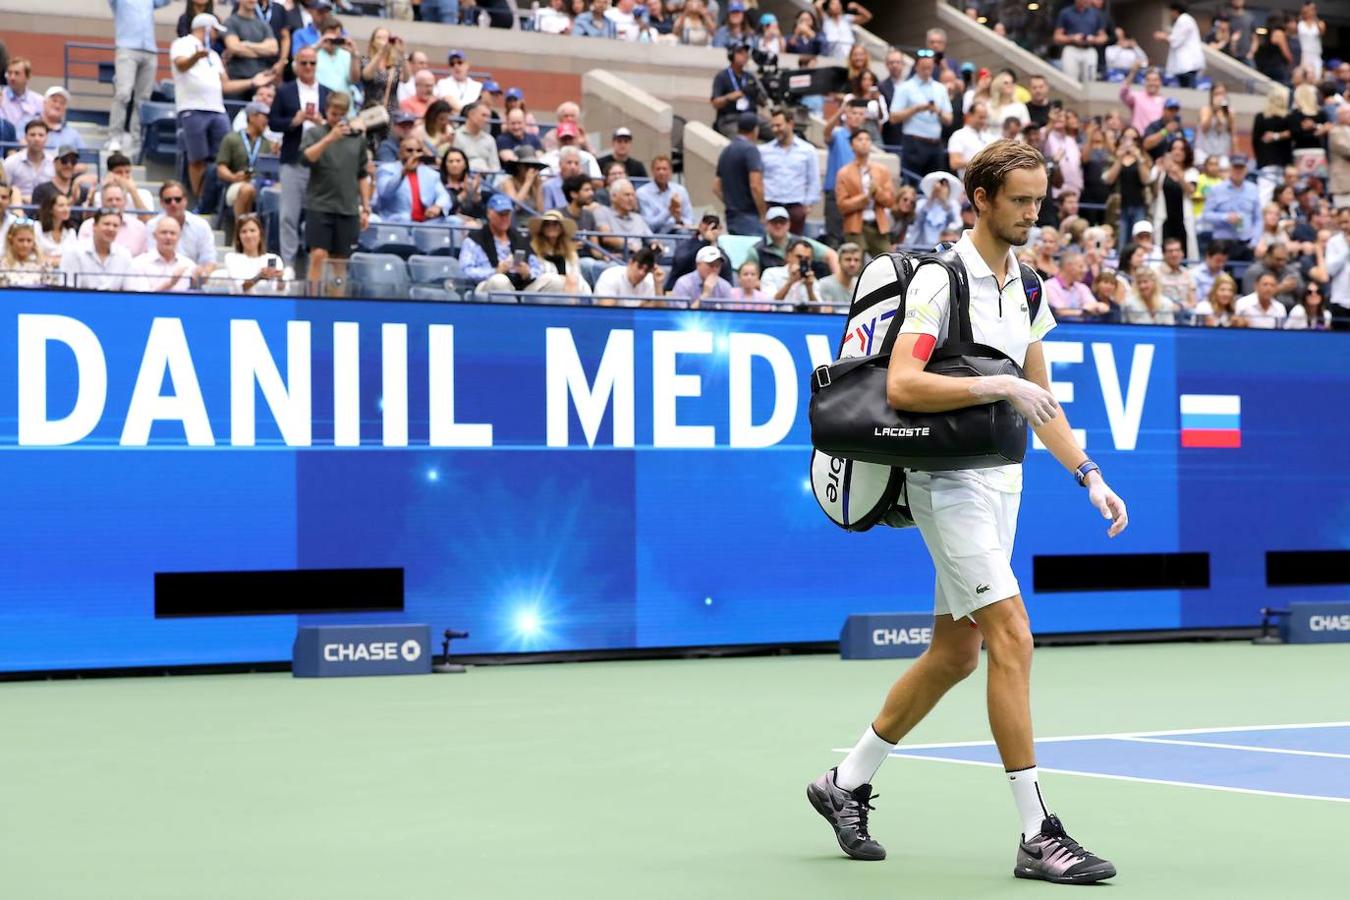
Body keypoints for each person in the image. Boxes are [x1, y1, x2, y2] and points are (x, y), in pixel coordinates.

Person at [809, 139, 1125, 885]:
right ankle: (1037, 833)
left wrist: (1088, 474)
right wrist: (999, 388)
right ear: (980, 200)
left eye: (1037, 201)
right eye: (1018, 200)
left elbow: (1039, 399)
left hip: (1002, 483)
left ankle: (843, 783)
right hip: (944, 484)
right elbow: (906, 384)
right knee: (1013, 636)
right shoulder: (939, 282)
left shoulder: (1031, 288)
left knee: (955, 653)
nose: (1031, 214)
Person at [172, 13, 273, 199]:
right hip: (192, 108)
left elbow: (225, 85)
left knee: (224, 155)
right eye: (214, 31)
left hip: (217, 109)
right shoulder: (182, 44)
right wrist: (196, 56)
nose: (216, 36)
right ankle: (201, 199)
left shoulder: (213, 55)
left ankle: (217, 197)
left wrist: (253, 82)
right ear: (206, 28)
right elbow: (181, 65)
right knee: (197, 158)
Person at [300, 91, 371, 290]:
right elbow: (306, 158)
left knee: (340, 261)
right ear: (326, 110)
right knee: (318, 254)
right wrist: (329, 138)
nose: (337, 118)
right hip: (320, 205)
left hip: (347, 207)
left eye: (341, 114)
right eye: (333, 113)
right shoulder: (314, 134)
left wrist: (365, 206)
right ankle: (311, 302)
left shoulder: (357, 139)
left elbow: (362, 173)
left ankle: (336, 305)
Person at [269, 45, 330, 269]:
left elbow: (335, 124)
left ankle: (314, 267)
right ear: (296, 65)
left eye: (312, 63)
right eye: (303, 62)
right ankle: (288, 267)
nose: (308, 67)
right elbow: (273, 122)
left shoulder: (326, 92)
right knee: (288, 217)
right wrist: (294, 121)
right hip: (293, 158)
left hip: (321, 164)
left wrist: (322, 123)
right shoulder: (285, 91)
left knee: (318, 217)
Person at [462, 193, 566, 297]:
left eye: (507, 214)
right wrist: (495, 271)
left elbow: (537, 268)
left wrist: (527, 272)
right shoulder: (474, 240)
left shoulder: (519, 238)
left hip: (520, 285)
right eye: (501, 214)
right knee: (499, 280)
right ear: (489, 213)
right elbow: (466, 271)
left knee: (554, 280)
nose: (504, 218)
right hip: (487, 285)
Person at [107, 0, 172, 155]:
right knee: (123, 93)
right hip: (127, 48)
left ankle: (137, 139)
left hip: (150, 49)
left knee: (143, 100)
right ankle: (115, 137)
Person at [758, 108, 821, 235]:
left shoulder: (807, 150)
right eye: (773, 126)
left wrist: (807, 206)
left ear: (790, 123)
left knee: (795, 246)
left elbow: (813, 179)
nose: (775, 129)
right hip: (771, 204)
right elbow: (758, 179)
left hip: (796, 206)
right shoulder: (764, 151)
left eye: (778, 125)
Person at [835, 129, 895, 257]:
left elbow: (890, 201)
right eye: (860, 140)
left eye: (867, 140)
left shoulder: (882, 170)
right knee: (855, 263)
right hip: (855, 226)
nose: (864, 143)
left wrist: (877, 191)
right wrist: (865, 198)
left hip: (878, 224)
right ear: (852, 145)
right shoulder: (844, 173)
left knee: (888, 261)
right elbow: (842, 205)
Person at [375, 135, 452, 223]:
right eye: (409, 150)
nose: (415, 154)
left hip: (426, 222)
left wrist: (438, 206)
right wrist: (403, 172)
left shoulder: (431, 174)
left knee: (454, 221)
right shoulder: (386, 169)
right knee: (404, 219)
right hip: (396, 221)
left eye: (419, 151)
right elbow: (384, 193)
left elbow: (444, 196)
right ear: (400, 153)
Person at [215, 101, 270, 222]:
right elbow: (221, 168)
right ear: (252, 117)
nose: (267, 121)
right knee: (247, 190)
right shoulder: (232, 138)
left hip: (262, 185)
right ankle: (240, 231)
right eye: (264, 116)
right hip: (237, 184)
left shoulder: (268, 143)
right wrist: (234, 177)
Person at [714, 112, 766, 237]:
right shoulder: (750, 150)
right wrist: (763, 214)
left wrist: (732, 203)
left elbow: (716, 187)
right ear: (755, 129)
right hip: (750, 216)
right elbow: (755, 185)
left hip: (732, 216)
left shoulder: (726, 151)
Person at [823, 99, 868, 242]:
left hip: (855, 195)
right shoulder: (838, 134)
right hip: (835, 193)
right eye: (853, 113)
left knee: (853, 239)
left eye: (861, 114)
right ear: (847, 114)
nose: (857, 117)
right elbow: (826, 132)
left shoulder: (863, 139)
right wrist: (840, 111)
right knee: (834, 238)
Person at [1199, 153, 1260, 260]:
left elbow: (1258, 218)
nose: (1238, 171)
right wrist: (1225, 217)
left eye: (1241, 167)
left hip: (1246, 242)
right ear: (1230, 169)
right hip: (1223, 242)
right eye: (1235, 167)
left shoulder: (1253, 189)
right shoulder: (1217, 189)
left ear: (1246, 169)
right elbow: (1206, 215)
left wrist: (1255, 240)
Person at [1103, 127, 1151, 253]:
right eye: (1126, 138)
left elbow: (1146, 180)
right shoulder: (1113, 158)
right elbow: (1108, 179)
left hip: (1139, 205)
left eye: (1134, 138)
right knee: (1120, 240)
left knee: (1137, 240)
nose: (1129, 142)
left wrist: (1139, 159)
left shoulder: (1144, 158)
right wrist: (1119, 158)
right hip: (1118, 206)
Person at [59, 208, 132, 290]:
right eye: (106, 224)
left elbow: (129, 292)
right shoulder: (73, 251)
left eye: (115, 226)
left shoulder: (125, 255)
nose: (111, 229)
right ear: (94, 226)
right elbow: (68, 291)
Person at [747, 206, 838, 272]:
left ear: (789, 224)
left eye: (782, 222)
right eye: (774, 222)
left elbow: (831, 255)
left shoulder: (802, 242)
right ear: (766, 224)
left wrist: (838, 282)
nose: (778, 225)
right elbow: (749, 276)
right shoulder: (756, 250)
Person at [1150, 138, 1198, 260]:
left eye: (1181, 149)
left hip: (1183, 220)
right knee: (1162, 251)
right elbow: (1154, 193)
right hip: (1164, 220)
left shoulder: (1191, 172)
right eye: (1174, 149)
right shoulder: (1159, 170)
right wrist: (1161, 171)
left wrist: (1179, 173)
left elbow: (1190, 190)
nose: (1177, 152)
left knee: (1186, 251)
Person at [223, 212, 292, 294]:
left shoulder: (274, 258)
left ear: (260, 234)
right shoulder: (232, 258)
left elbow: (281, 291)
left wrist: (280, 278)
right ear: (239, 237)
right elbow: (240, 289)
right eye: (244, 232)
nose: (248, 235)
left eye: (252, 231)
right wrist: (259, 277)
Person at [527, 208, 591, 297]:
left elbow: (576, 274)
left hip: (567, 289)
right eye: (547, 224)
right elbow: (535, 275)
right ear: (542, 229)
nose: (551, 227)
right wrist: (562, 279)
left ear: (561, 228)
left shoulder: (571, 253)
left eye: (555, 224)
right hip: (541, 290)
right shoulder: (533, 249)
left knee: (576, 280)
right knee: (556, 280)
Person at [223, 0, 280, 94]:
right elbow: (234, 47)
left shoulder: (263, 25)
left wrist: (246, 44)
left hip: (261, 80)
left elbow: (273, 49)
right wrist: (262, 51)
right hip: (237, 80)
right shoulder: (230, 22)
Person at [76, 182, 147, 256]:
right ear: (102, 202)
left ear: (125, 202)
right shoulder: (88, 226)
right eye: (110, 200)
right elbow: (82, 255)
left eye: (118, 199)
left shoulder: (139, 227)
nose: (114, 203)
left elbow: (143, 259)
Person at [128, 216, 196, 292]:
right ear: (154, 235)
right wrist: (170, 283)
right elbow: (143, 299)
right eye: (164, 232)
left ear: (179, 237)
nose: (168, 237)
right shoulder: (139, 264)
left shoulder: (189, 265)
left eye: (173, 233)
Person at [710, 42, 764, 138]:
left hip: (751, 116)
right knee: (739, 138)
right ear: (731, 55)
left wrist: (757, 94)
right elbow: (715, 103)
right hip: (730, 119)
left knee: (774, 128)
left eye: (746, 53)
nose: (744, 55)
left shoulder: (750, 76)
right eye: (740, 52)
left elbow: (763, 103)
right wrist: (729, 97)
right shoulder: (722, 76)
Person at [31, 146, 94, 223]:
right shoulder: (41, 190)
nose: (69, 165)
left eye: (73, 161)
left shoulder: (83, 191)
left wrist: (91, 200)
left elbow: (88, 220)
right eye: (64, 161)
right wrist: (72, 201)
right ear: (55, 163)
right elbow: (37, 217)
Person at [1045, 249, 1110, 319]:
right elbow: (1059, 311)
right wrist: (1084, 311)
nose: (1085, 270)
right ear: (1068, 266)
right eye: (1081, 266)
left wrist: (1100, 306)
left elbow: (1093, 305)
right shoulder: (1049, 286)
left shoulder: (1082, 287)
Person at [593, 178, 652, 254]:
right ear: (614, 197)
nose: (631, 198)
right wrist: (630, 246)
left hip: (638, 259)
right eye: (627, 195)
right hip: (615, 258)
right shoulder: (602, 211)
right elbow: (607, 237)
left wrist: (656, 244)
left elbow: (652, 239)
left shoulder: (638, 218)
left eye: (633, 195)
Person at [636, 155, 693, 233]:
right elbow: (649, 225)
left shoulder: (680, 190)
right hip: (657, 234)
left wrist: (679, 220)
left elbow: (690, 220)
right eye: (658, 169)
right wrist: (669, 211)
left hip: (678, 231)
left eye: (664, 169)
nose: (661, 172)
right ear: (652, 171)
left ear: (670, 171)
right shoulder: (642, 193)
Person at [1053, 0, 1106, 83]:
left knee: (1090, 80)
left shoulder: (1095, 14)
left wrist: (1093, 39)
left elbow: (1103, 37)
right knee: (1070, 81)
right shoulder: (1066, 13)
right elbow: (1057, 37)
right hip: (1072, 48)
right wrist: (1072, 38)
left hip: (1089, 49)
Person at [1152, 3, 1204, 88]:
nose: (1170, 14)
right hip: (1184, 65)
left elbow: (1176, 40)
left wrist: (1163, 37)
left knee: (1189, 91)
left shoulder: (1184, 19)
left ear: (1175, 11)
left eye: (1170, 12)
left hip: (1188, 64)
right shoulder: (1184, 20)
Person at [593, 245, 664, 306]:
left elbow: (660, 313)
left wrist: (658, 284)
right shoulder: (610, 276)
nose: (641, 273)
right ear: (631, 263)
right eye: (639, 267)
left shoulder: (650, 280)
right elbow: (607, 312)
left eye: (646, 270)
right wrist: (642, 305)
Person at [1241, 243, 1305, 311]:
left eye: (1284, 259)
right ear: (1267, 255)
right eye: (1278, 259)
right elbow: (1249, 297)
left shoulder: (1290, 270)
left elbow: (1303, 293)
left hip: (1291, 310)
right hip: (1262, 310)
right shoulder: (1253, 271)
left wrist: (1296, 286)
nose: (1282, 263)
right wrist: (1280, 288)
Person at [3, 119, 54, 202]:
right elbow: (3, 191)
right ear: (25, 137)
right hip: (17, 209)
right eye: (32, 135)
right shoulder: (11, 162)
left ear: (47, 138)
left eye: (41, 135)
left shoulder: (54, 163)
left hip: (46, 210)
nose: (37, 139)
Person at [670, 243, 734, 306]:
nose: (714, 269)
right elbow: (681, 315)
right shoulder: (683, 284)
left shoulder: (725, 286)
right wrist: (705, 295)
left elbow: (728, 315)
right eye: (710, 265)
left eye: (717, 266)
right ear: (698, 264)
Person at [947, 101, 995, 180]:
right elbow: (954, 162)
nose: (983, 121)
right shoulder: (959, 135)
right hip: (968, 182)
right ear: (969, 116)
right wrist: (981, 163)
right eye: (980, 117)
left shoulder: (990, 137)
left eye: (985, 118)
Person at [313, 20, 359, 97]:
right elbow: (296, 67)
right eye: (330, 37)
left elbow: (354, 80)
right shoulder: (313, 53)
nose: (333, 40)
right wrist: (318, 45)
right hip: (320, 99)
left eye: (337, 37)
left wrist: (354, 55)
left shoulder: (347, 54)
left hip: (343, 101)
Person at [0, 219, 51, 288]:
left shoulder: (43, 265)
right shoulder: (2, 264)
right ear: (11, 240)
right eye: (21, 240)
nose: (25, 245)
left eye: (29, 240)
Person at [1119, 63, 1164, 134]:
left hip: (1156, 141)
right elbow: (1123, 93)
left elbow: (1166, 127)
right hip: (1139, 138)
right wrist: (1133, 72)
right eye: (1148, 80)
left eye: (1155, 80)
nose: (1152, 83)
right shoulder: (1137, 97)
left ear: (1160, 82)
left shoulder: (1165, 102)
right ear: (1145, 82)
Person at [815, 240, 863, 307]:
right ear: (839, 261)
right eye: (848, 259)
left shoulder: (862, 285)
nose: (852, 264)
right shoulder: (824, 284)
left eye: (856, 260)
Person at [35, 193, 79, 265]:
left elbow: (74, 257)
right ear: (50, 209)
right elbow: (36, 255)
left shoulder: (71, 232)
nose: (66, 209)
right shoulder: (37, 227)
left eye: (68, 205)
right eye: (61, 206)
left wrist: (52, 260)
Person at [435, 49, 482, 114]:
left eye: (459, 62)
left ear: (467, 65)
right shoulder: (443, 83)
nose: (456, 66)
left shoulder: (477, 86)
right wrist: (468, 114)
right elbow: (450, 102)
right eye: (452, 64)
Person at [1328, 207, 1350, 329]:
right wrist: (1347, 249)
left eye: (1346, 222)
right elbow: (1330, 270)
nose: (1343, 226)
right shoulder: (1333, 242)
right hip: (1339, 301)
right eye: (1341, 222)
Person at [1296, 3, 1326, 82]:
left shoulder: (1319, 24)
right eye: (1308, 9)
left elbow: (1322, 32)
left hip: (1315, 55)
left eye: (1312, 9)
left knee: (1316, 77)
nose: (1310, 12)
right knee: (1302, 77)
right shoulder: (1299, 24)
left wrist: (1315, 18)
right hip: (1303, 54)